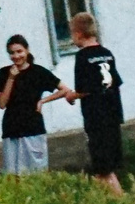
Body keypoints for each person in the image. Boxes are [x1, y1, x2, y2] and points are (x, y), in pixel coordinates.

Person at [54, 12, 126, 193]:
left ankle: (119, 203)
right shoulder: (107, 54)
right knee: (107, 166)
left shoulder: (83, 57)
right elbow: (114, 81)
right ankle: (110, 200)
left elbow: (84, 88)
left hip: (96, 116)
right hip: (113, 113)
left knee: (102, 168)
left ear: (78, 33)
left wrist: (71, 95)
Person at [0, 35, 61, 176]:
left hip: (33, 129)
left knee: (37, 174)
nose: (16, 56)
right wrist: (11, 78)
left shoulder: (38, 72)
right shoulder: (4, 73)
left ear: (27, 51)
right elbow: (1, 104)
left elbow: (65, 90)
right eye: (12, 53)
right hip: (11, 129)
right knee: (13, 176)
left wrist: (43, 101)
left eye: (19, 51)